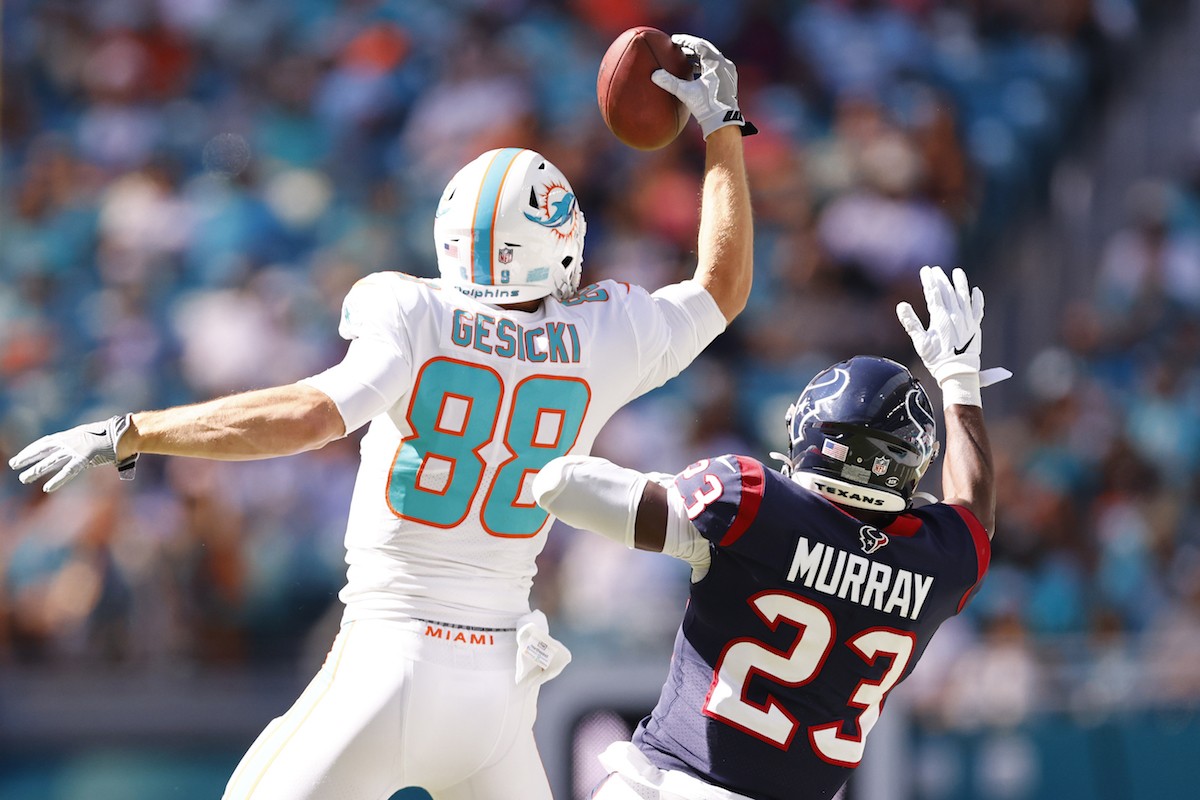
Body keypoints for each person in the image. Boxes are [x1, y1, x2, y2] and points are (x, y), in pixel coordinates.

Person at [7, 35, 755, 800]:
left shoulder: (407, 306)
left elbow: (310, 415)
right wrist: (721, 122)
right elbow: (721, 287)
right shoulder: (605, 332)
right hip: (497, 685)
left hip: (389, 659)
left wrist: (135, 430)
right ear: (563, 245)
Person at [534, 265, 1010, 800]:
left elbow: (559, 484)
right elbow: (973, 513)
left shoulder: (752, 502)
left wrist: (672, 489)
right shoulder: (939, 561)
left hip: (672, 785)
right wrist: (960, 385)